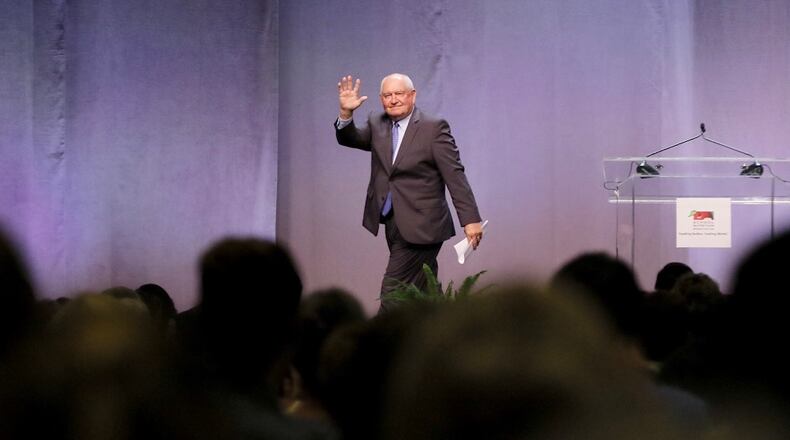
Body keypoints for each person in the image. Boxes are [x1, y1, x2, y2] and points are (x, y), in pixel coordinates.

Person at [334, 74, 483, 303]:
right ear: (381, 99)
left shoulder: (432, 127)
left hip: (424, 224)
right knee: (423, 290)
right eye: (387, 95)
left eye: (399, 94)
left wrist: (470, 219)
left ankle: (381, 338)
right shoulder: (377, 121)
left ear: (412, 96)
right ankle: (441, 332)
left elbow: (454, 173)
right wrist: (346, 114)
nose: (393, 100)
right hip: (392, 221)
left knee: (394, 292)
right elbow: (351, 138)